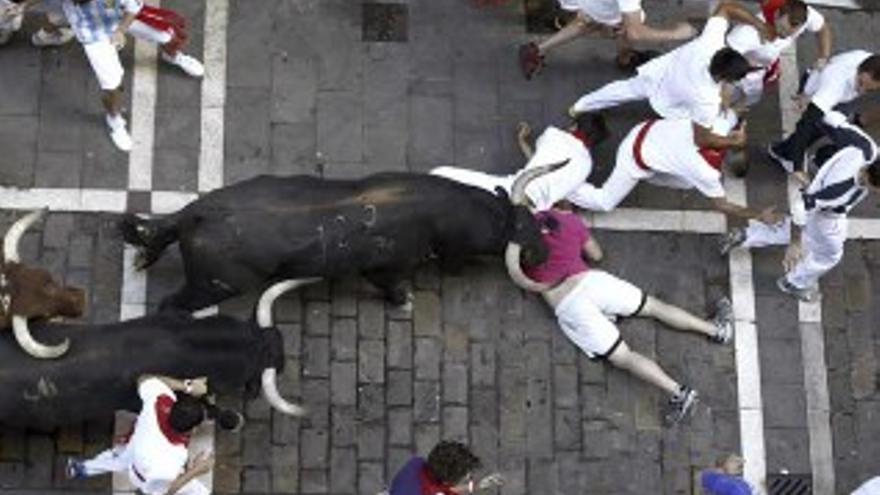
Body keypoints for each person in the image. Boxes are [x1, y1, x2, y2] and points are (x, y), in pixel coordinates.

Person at [504, 202, 734, 425]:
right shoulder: (569, 221)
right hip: (591, 281)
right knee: (654, 307)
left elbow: (524, 276)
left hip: (569, 305)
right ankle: (716, 330)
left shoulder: (517, 248)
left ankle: (677, 391)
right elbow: (596, 255)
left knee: (623, 356)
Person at [569, 0, 769, 150]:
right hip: (669, 105)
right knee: (718, 124)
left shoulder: (712, 42)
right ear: (724, 79)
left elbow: (726, 7)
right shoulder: (707, 100)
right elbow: (703, 138)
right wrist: (733, 140)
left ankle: (580, 106)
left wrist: (760, 26)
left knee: (622, 90)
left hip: (658, 74)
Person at [721, 115, 880, 301]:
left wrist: (810, 108)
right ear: (872, 182)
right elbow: (800, 208)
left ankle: (745, 236)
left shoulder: (866, 147)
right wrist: (794, 244)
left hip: (816, 194)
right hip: (826, 215)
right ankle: (794, 283)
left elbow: (830, 119)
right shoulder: (840, 192)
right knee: (829, 255)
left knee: (805, 232)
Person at [31, 0, 203, 152]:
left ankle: (172, 56)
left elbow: (132, 8)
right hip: (94, 38)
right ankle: (114, 119)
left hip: (119, 19)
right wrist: (21, 6)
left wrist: (121, 30)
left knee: (165, 35)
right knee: (111, 86)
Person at [566, 112, 782, 227]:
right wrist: (758, 214)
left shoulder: (722, 124)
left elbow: (733, 110)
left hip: (646, 128)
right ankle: (566, 187)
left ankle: (654, 171)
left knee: (687, 182)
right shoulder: (706, 173)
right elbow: (722, 205)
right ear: (724, 169)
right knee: (604, 202)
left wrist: (740, 126)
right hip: (632, 158)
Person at [66, 374, 216, 495]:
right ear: (191, 430)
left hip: (136, 448)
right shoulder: (174, 457)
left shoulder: (160, 401)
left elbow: (144, 379)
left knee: (118, 458)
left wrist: (188, 386)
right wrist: (197, 470)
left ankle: (81, 468)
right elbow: (165, 491)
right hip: (146, 479)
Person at [431, 113, 609, 211]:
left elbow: (539, 161)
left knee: (439, 173)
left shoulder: (553, 134)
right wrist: (523, 143)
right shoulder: (587, 166)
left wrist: (523, 140)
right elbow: (541, 167)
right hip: (534, 212)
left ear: (574, 127)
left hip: (511, 190)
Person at [517, 0, 696, 79]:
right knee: (626, 26)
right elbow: (636, 32)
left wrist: (577, 7)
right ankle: (625, 59)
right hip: (604, 8)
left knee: (586, 22)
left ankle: (537, 50)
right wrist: (677, 33)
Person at [767, 50, 880, 173]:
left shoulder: (869, 61)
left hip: (833, 93)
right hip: (816, 94)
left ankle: (785, 151)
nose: (861, 91)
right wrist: (797, 166)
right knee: (819, 126)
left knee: (831, 122)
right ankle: (785, 153)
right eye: (860, 83)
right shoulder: (834, 86)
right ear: (860, 69)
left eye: (869, 90)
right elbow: (805, 126)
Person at [724, 0, 831, 108]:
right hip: (736, 74)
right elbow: (724, 59)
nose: (783, 35)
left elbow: (822, 28)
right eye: (782, 29)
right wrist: (725, 93)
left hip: (760, 72)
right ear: (776, 15)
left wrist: (823, 57)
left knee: (750, 100)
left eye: (790, 33)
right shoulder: (747, 33)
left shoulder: (804, 15)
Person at [388, 441, 503, 495]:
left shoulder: (416, 464)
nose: (468, 476)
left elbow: (441, 488)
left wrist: (475, 486)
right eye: (465, 475)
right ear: (447, 481)